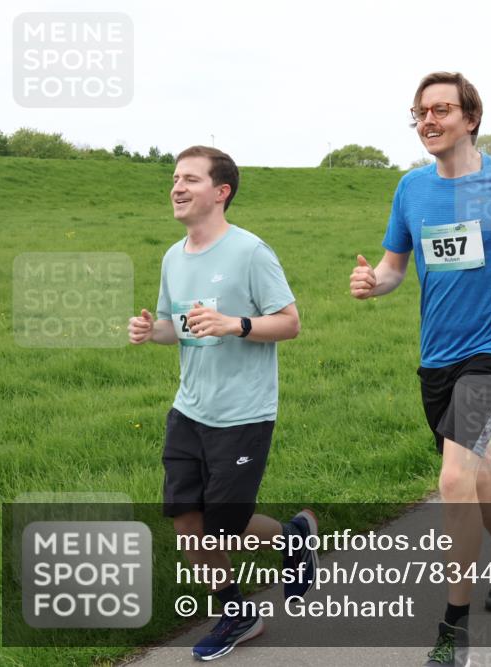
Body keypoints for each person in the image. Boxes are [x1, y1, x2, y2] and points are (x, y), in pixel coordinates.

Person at [349, 72, 491, 666]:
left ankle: (454, 628)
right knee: (477, 473)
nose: (428, 120)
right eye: (420, 112)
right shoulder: (411, 190)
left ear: (470, 118)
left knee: (453, 478)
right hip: (436, 354)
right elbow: (398, 267)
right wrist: (375, 284)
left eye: (441, 109)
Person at [128, 146, 317, 661]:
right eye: (174, 178)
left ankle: (292, 537)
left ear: (221, 192)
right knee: (188, 521)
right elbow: (177, 328)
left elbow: (291, 322)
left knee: (224, 526)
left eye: (189, 178)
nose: (176, 187)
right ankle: (236, 614)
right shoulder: (172, 256)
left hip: (244, 414)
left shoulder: (251, 252)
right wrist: (152, 331)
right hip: (189, 409)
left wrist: (237, 324)